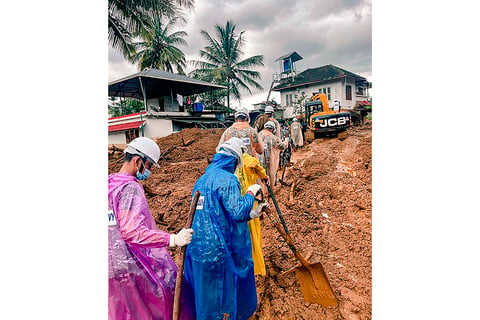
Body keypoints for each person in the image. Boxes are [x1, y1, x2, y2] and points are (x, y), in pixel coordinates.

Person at [108, 137, 195, 320]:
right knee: (163, 295)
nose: (148, 171)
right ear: (137, 161)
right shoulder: (129, 188)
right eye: (148, 165)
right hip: (129, 266)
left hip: (111, 267)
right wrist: (172, 239)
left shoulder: (109, 183)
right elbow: (131, 232)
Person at [183, 138, 267, 320]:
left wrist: (252, 215)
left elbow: (217, 213)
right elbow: (237, 213)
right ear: (234, 161)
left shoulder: (202, 180)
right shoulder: (228, 180)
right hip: (217, 251)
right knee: (220, 301)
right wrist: (251, 193)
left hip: (195, 248)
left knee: (203, 296)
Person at [236, 152, 270, 277]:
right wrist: (263, 175)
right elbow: (255, 165)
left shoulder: (227, 163)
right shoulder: (247, 159)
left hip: (234, 204)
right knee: (253, 234)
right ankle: (255, 268)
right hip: (249, 200)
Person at [258, 121, 289, 189]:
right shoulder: (274, 138)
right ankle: (269, 193)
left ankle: (260, 193)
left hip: (258, 163)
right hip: (269, 163)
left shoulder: (257, 135)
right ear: (273, 129)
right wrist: (286, 141)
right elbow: (282, 146)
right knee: (270, 178)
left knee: (259, 178)